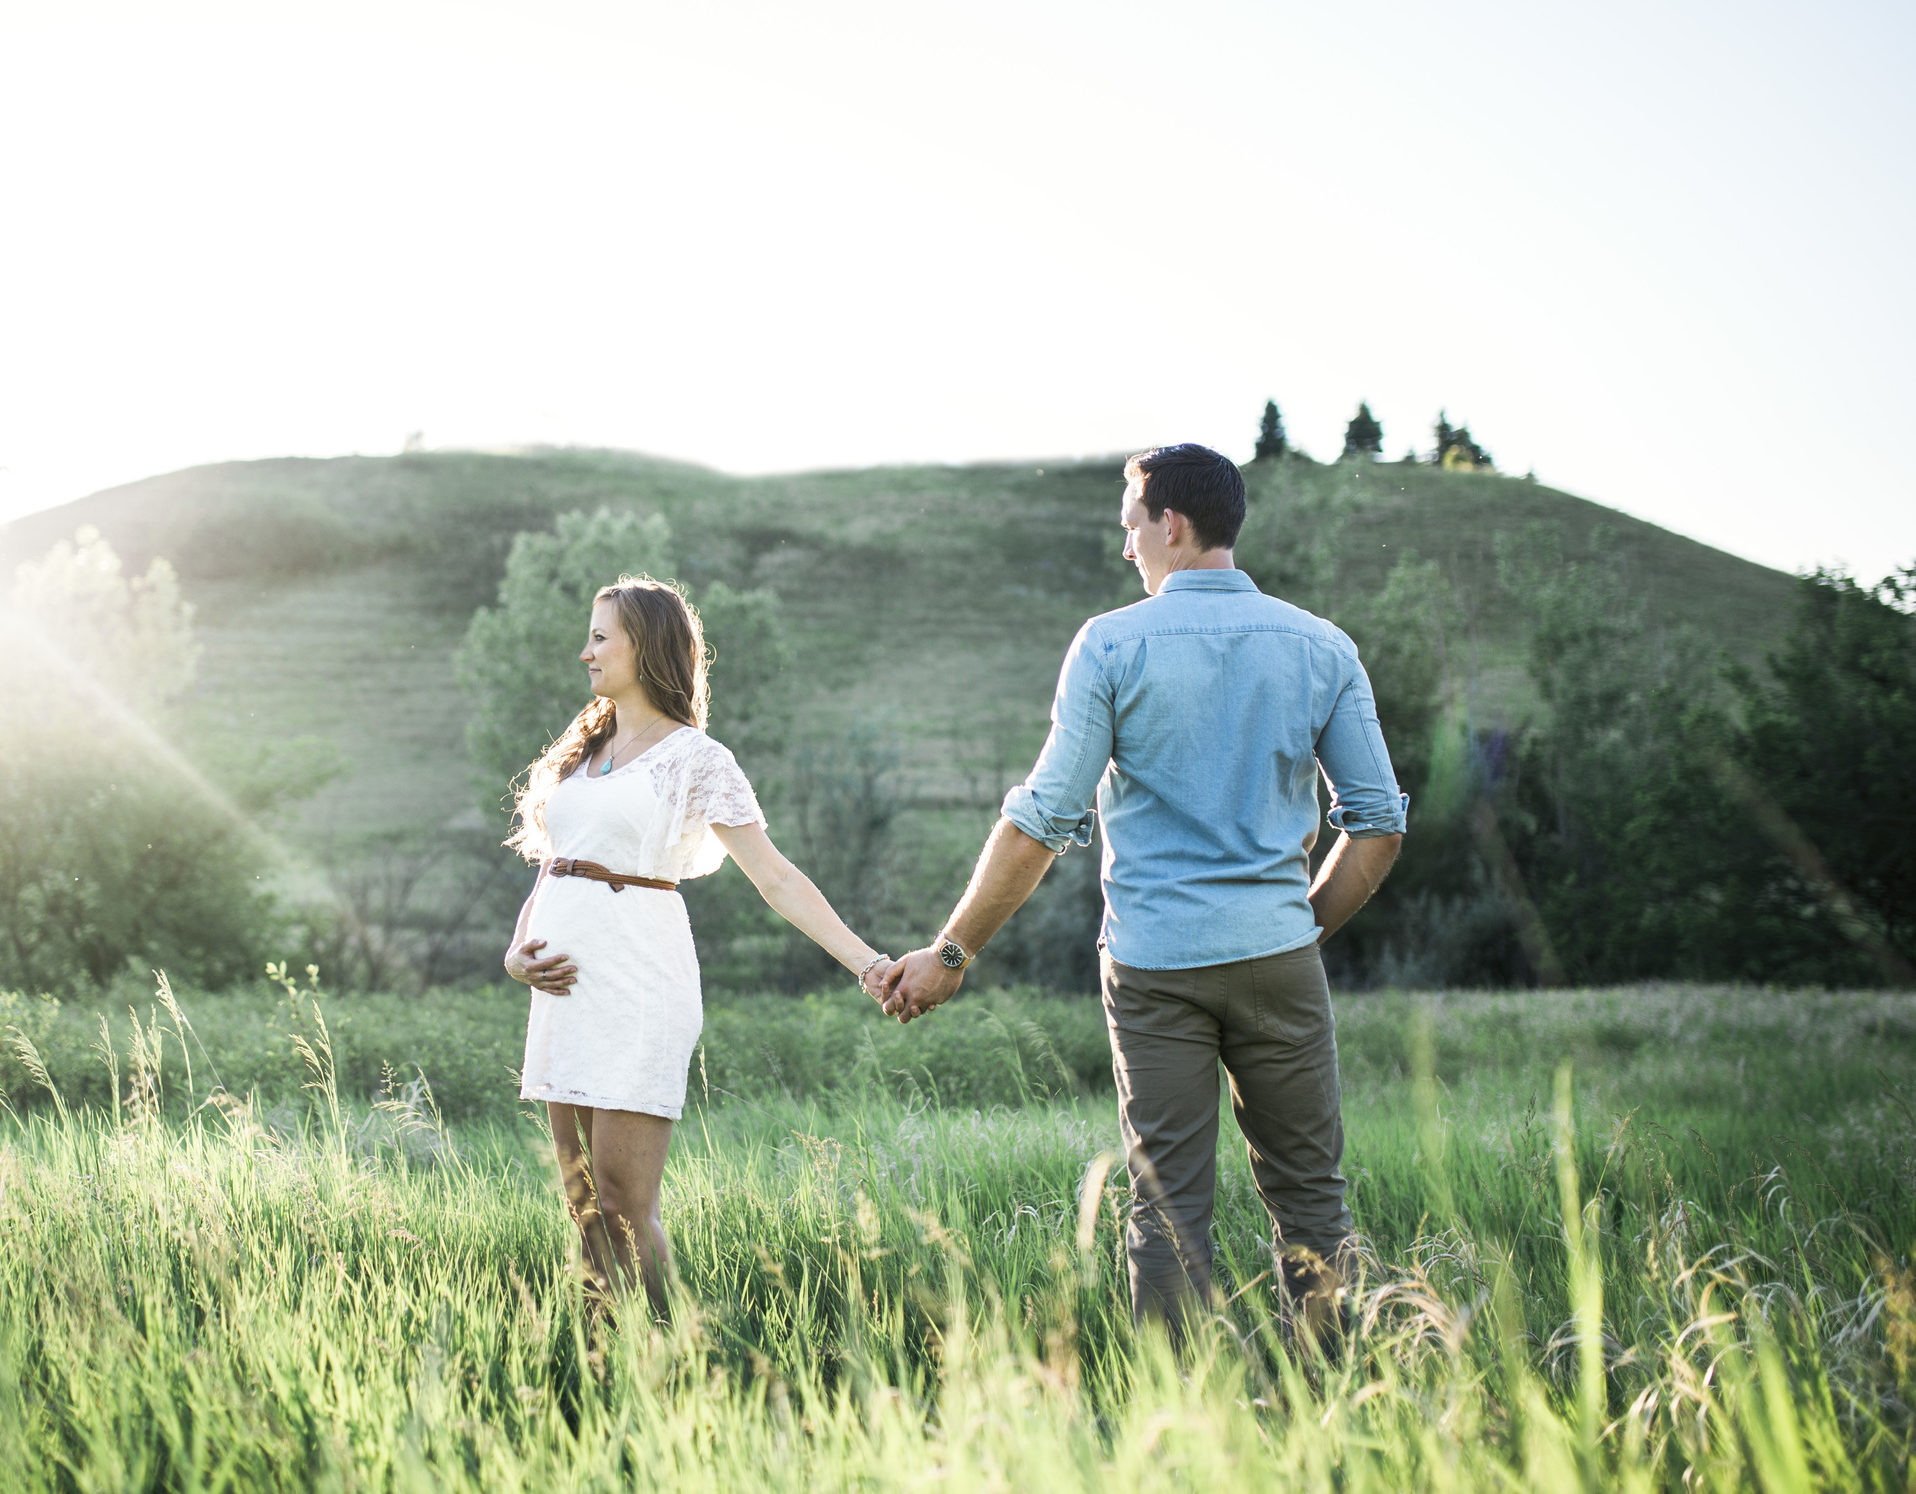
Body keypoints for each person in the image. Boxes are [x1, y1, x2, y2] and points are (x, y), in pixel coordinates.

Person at [878, 444, 1407, 1336]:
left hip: (1155, 969)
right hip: (1279, 957)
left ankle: (1178, 1427)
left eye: (1132, 526)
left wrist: (952, 952)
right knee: (1315, 1207)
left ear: (1172, 524)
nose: (1128, 548)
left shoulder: (1113, 644)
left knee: (1164, 1211)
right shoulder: (1321, 645)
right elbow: (1378, 824)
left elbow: (1041, 821)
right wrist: (1295, 927)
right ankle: (1333, 1420)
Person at [503, 575, 892, 1318]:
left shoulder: (697, 758)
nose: (584, 651)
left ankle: (672, 1358)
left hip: (639, 984)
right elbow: (560, 861)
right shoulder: (584, 745)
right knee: (583, 1204)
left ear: (644, 645)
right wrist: (516, 950)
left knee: (622, 1203)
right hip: (562, 991)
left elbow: (775, 878)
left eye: (599, 636)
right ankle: (601, 1362)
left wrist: (868, 963)